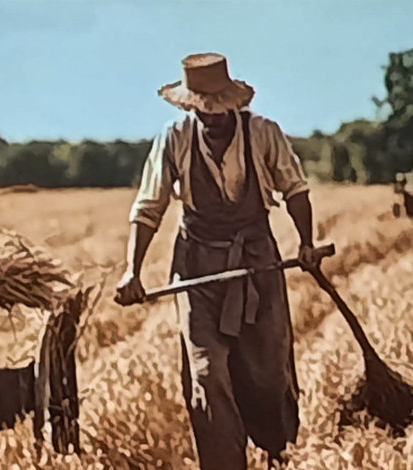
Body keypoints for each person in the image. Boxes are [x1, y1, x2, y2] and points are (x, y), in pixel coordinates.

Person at [114, 52, 317, 469]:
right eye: (201, 109)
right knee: (206, 375)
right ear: (191, 107)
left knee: (267, 375)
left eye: (218, 108)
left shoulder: (263, 134)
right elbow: (149, 207)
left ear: (233, 102)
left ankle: (278, 453)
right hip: (197, 270)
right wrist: (132, 269)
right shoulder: (174, 139)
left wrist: (307, 243)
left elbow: (294, 189)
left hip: (257, 264)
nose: (211, 117)